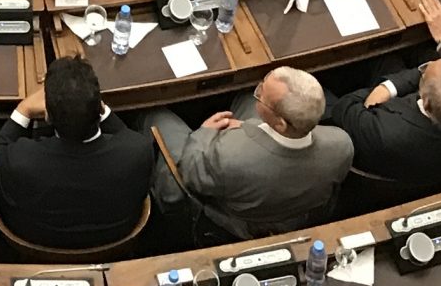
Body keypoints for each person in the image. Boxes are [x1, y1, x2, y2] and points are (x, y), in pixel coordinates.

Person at [147, 68, 349, 238]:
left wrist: (204, 132)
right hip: (294, 212)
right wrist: (251, 127)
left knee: (156, 116)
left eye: (261, 95)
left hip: (239, 225)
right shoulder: (342, 144)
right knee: (245, 98)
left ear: (280, 123)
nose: (258, 92)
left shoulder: (228, 156)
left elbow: (192, 174)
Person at [0, 58, 159, 251]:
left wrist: (23, 109)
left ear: (47, 116)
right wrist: (97, 107)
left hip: (41, 243)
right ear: (99, 108)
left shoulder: (21, 161)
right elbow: (125, 138)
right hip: (113, 241)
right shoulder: (138, 152)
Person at [327, 38, 441, 196]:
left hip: (375, 173)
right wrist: (389, 87)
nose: (427, 66)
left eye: (424, 73)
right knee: (388, 60)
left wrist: (379, 93)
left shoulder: (385, 131)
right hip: (432, 168)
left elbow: (344, 107)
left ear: (426, 100)